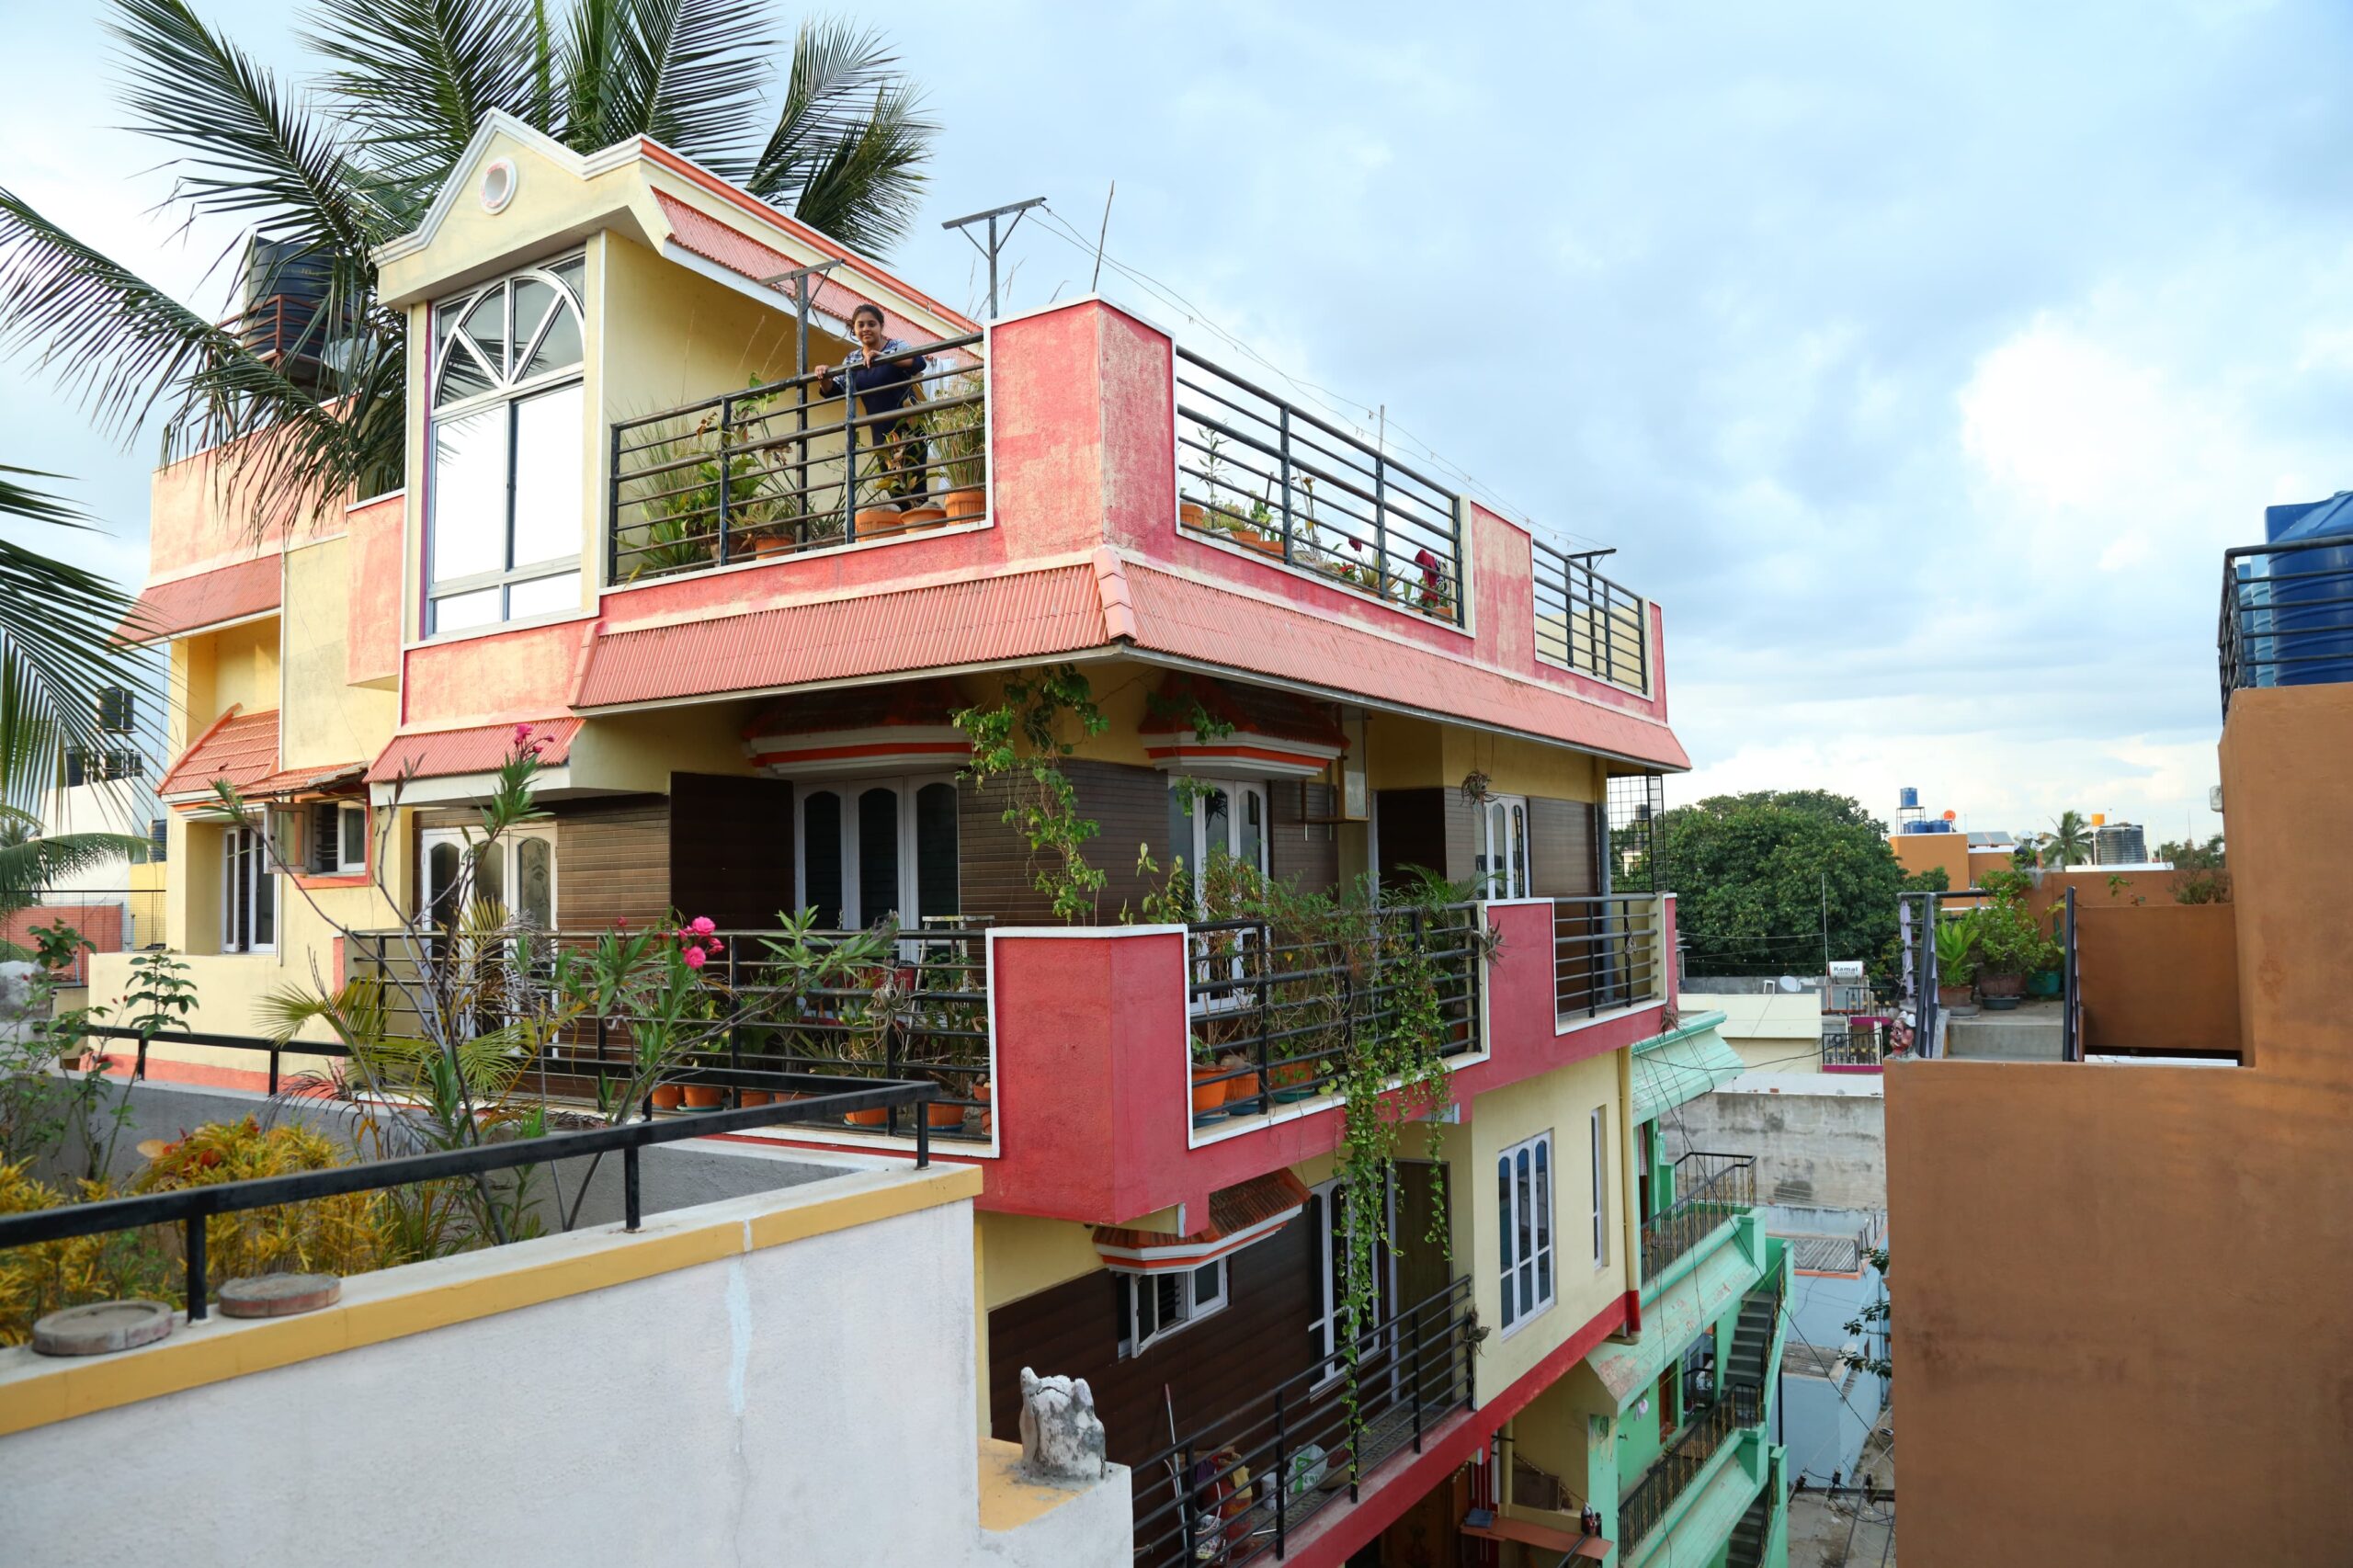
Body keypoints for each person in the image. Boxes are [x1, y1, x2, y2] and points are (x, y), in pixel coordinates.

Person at [815, 302, 930, 511]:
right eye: (860, 325)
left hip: (909, 428)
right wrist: (824, 375)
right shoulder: (852, 359)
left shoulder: (896, 346)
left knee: (916, 486)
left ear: (881, 326)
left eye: (871, 324)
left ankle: (922, 525)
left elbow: (918, 363)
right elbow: (835, 390)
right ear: (854, 329)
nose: (866, 329)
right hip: (882, 434)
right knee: (895, 490)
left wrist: (884, 358)